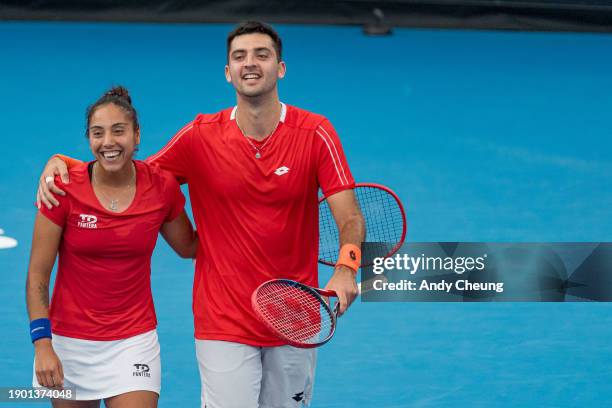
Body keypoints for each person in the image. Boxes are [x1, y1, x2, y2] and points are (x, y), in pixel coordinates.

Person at [37, 22, 365, 408]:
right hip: (222, 317)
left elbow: (350, 217)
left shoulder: (315, 132)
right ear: (228, 72)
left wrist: (347, 266)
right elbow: (135, 175)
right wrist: (67, 163)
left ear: (281, 68)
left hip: (292, 313)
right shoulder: (200, 136)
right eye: (239, 56)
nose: (250, 64)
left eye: (262, 54)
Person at [27, 86, 197, 408]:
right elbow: (38, 274)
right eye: (97, 133)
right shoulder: (62, 189)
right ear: (89, 139)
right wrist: (42, 344)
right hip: (69, 344)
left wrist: (244, 223)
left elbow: (189, 247)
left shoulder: (161, 187)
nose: (108, 142)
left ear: (136, 135)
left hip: (134, 340)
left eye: (118, 131)